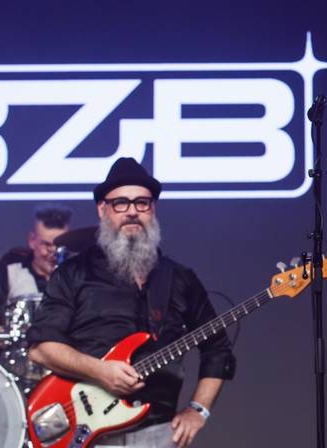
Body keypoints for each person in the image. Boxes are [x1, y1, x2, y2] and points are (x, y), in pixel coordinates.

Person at [28, 157, 236, 448]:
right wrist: (99, 371)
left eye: (142, 203)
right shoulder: (74, 274)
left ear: (153, 209)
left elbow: (218, 349)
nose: (132, 212)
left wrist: (198, 410)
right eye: (121, 204)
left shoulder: (180, 278)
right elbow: (41, 348)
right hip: (89, 433)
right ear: (103, 210)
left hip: (159, 432)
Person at [0, 204, 72, 309]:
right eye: (47, 245)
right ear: (32, 240)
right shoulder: (13, 267)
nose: (54, 253)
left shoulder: (76, 271)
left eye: (59, 245)